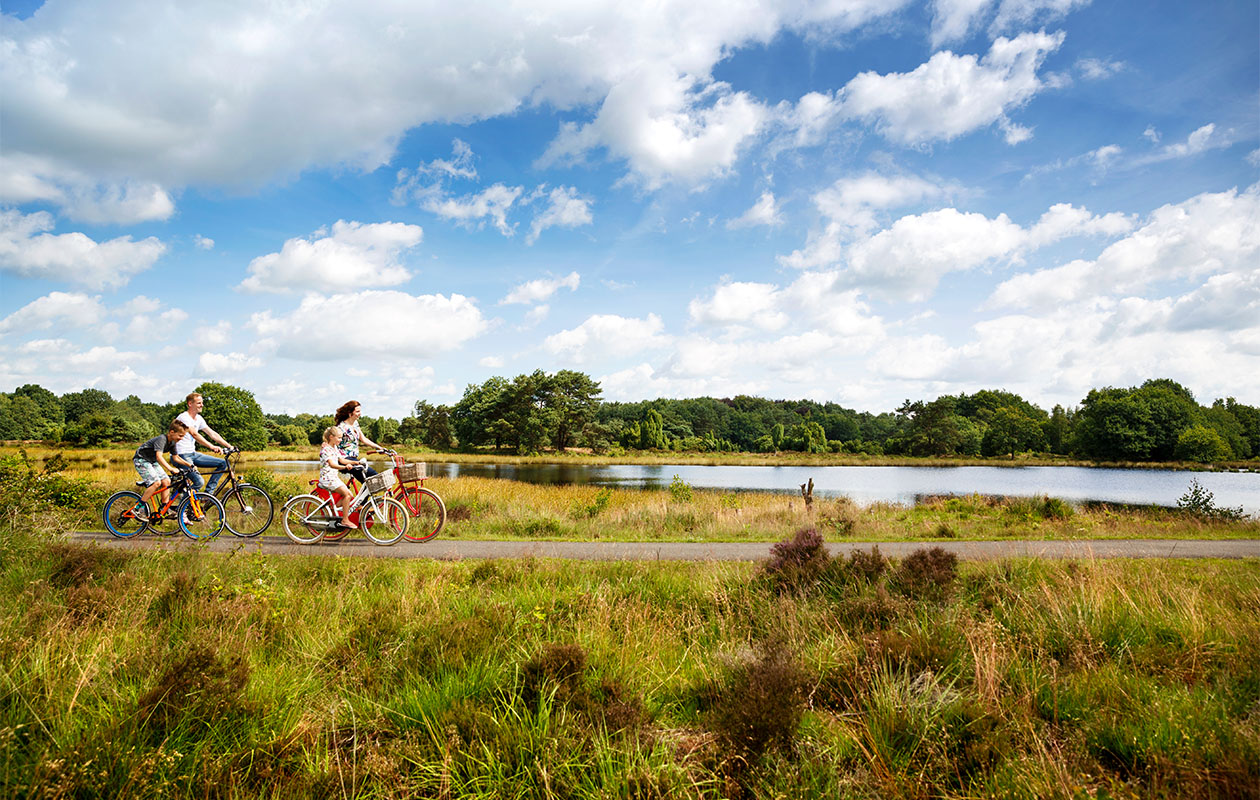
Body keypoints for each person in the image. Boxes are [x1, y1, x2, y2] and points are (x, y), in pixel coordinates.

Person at [174, 392, 232, 496]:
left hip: (192, 454)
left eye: (202, 403)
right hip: (181, 455)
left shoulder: (199, 419)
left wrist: (229, 446)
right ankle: (183, 508)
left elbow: (212, 434)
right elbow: (194, 434)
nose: (202, 405)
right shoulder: (184, 417)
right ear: (190, 404)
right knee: (199, 482)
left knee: (222, 464)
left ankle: (208, 495)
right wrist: (212, 446)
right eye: (199, 403)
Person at [133, 419, 191, 519]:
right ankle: (138, 508)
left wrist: (189, 465)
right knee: (156, 483)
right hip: (141, 459)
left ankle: (164, 508)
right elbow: (159, 456)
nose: (181, 438)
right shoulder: (162, 439)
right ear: (172, 432)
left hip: (151, 460)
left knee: (167, 481)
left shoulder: (172, 443)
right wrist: (170, 468)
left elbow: (175, 457)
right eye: (180, 436)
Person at [334, 400, 387, 482]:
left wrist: (378, 447)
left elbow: (363, 439)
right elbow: (333, 443)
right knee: (373, 476)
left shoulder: (355, 424)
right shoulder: (341, 427)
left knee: (369, 484)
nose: (360, 413)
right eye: (357, 411)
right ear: (350, 412)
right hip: (345, 460)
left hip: (353, 459)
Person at [319, 426, 357, 530]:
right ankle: (345, 520)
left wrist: (355, 462)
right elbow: (332, 464)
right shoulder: (325, 449)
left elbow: (341, 460)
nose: (340, 440)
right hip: (327, 479)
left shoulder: (334, 448)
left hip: (333, 478)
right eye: (339, 438)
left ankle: (332, 508)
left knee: (349, 495)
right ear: (331, 437)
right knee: (347, 495)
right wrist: (344, 467)